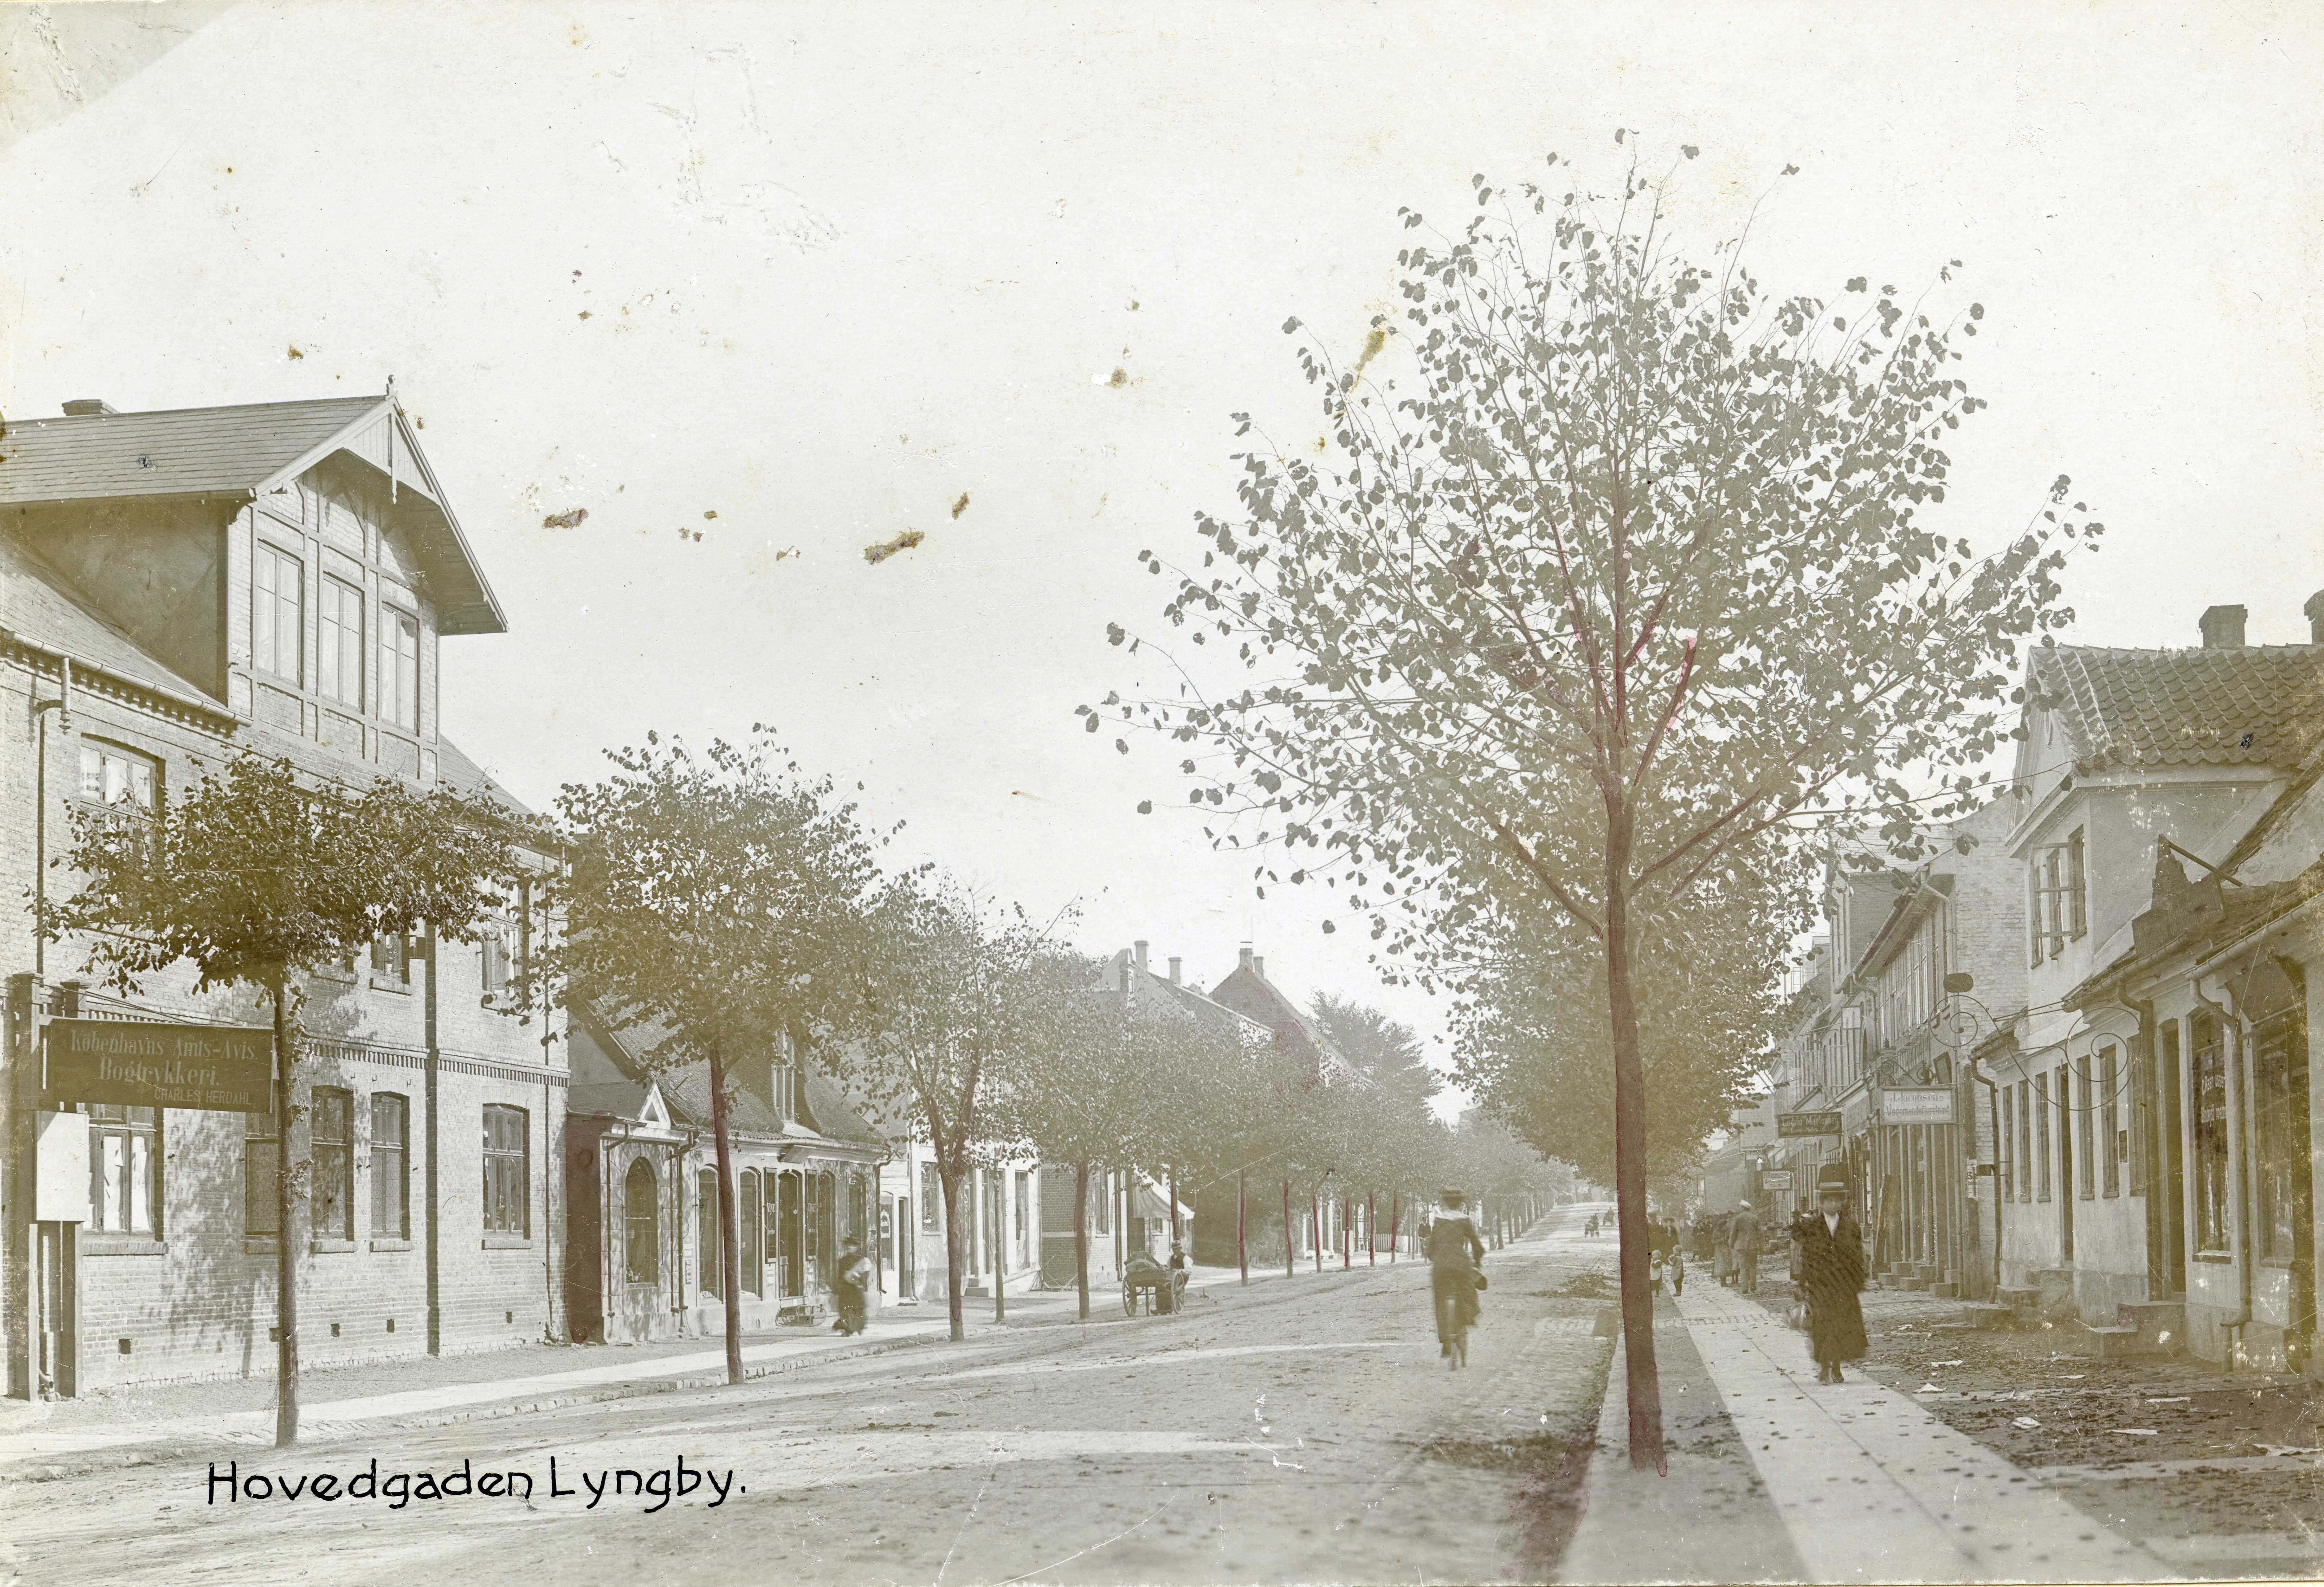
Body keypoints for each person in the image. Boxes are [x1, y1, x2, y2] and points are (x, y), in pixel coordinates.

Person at [1791, 1170, 1868, 1383]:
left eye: (1837, 1200)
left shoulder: (1850, 1225)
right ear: (1822, 1203)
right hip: (1821, 1285)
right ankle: (1825, 1368)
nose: (1833, 1204)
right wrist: (1803, 1281)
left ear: (1842, 1202)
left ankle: (1837, 1368)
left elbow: (1857, 1255)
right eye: (1829, 1200)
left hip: (1844, 1285)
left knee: (1841, 1326)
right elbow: (1807, 1256)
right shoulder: (1814, 1226)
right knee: (1823, 1326)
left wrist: (1858, 1280)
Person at [1425, 1189, 1487, 1362]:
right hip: (1461, 1264)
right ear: (1460, 1204)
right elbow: (1476, 1244)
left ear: (1445, 1202)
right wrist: (1478, 1259)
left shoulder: (1439, 1220)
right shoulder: (1465, 1220)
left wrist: (1435, 1258)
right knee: (1468, 1292)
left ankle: (1446, 1340)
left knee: (1440, 1299)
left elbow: (1431, 1247)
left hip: (1442, 1266)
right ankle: (1466, 1319)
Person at [832, 1237, 873, 1336]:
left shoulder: (861, 1260)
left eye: (853, 1246)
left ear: (856, 1248)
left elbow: (866, 1274)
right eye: (849, 1246)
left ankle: (859, 1328)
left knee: (858, 1309)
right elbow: (840, 1276)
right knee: (846, 1310)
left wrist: (860, 1279)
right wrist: (837, 1289)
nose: (850, 1247)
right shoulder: (843, 1261)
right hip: (846, 1289)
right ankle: (848, 1330)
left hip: (856, 1288)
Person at [1731, 1200, 1761, 1296]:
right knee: (1753, 1266)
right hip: (1753, 1246)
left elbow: (1733, 1233)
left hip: (1741, 1246)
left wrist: (1732, 1244)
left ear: (1743, 1208)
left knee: (1743, 1268)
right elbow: (1760, 1233)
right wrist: (1761, 1245)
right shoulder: (1755, 1218)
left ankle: (1745, 1288)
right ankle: (1753, 1286)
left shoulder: (1738, 1218)